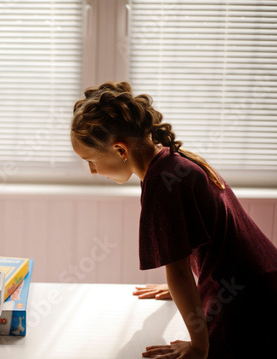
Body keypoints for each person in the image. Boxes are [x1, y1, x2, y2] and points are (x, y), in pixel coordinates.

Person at [70, 81, 277, 358]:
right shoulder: (172, 162)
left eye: (91, 160)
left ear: (121, 150)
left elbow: (178, 269)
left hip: (247, 301)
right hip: (262, 281)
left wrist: (198, 347)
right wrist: (182, 287)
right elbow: (205, 239)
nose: (93, 171)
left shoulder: (163, 183)